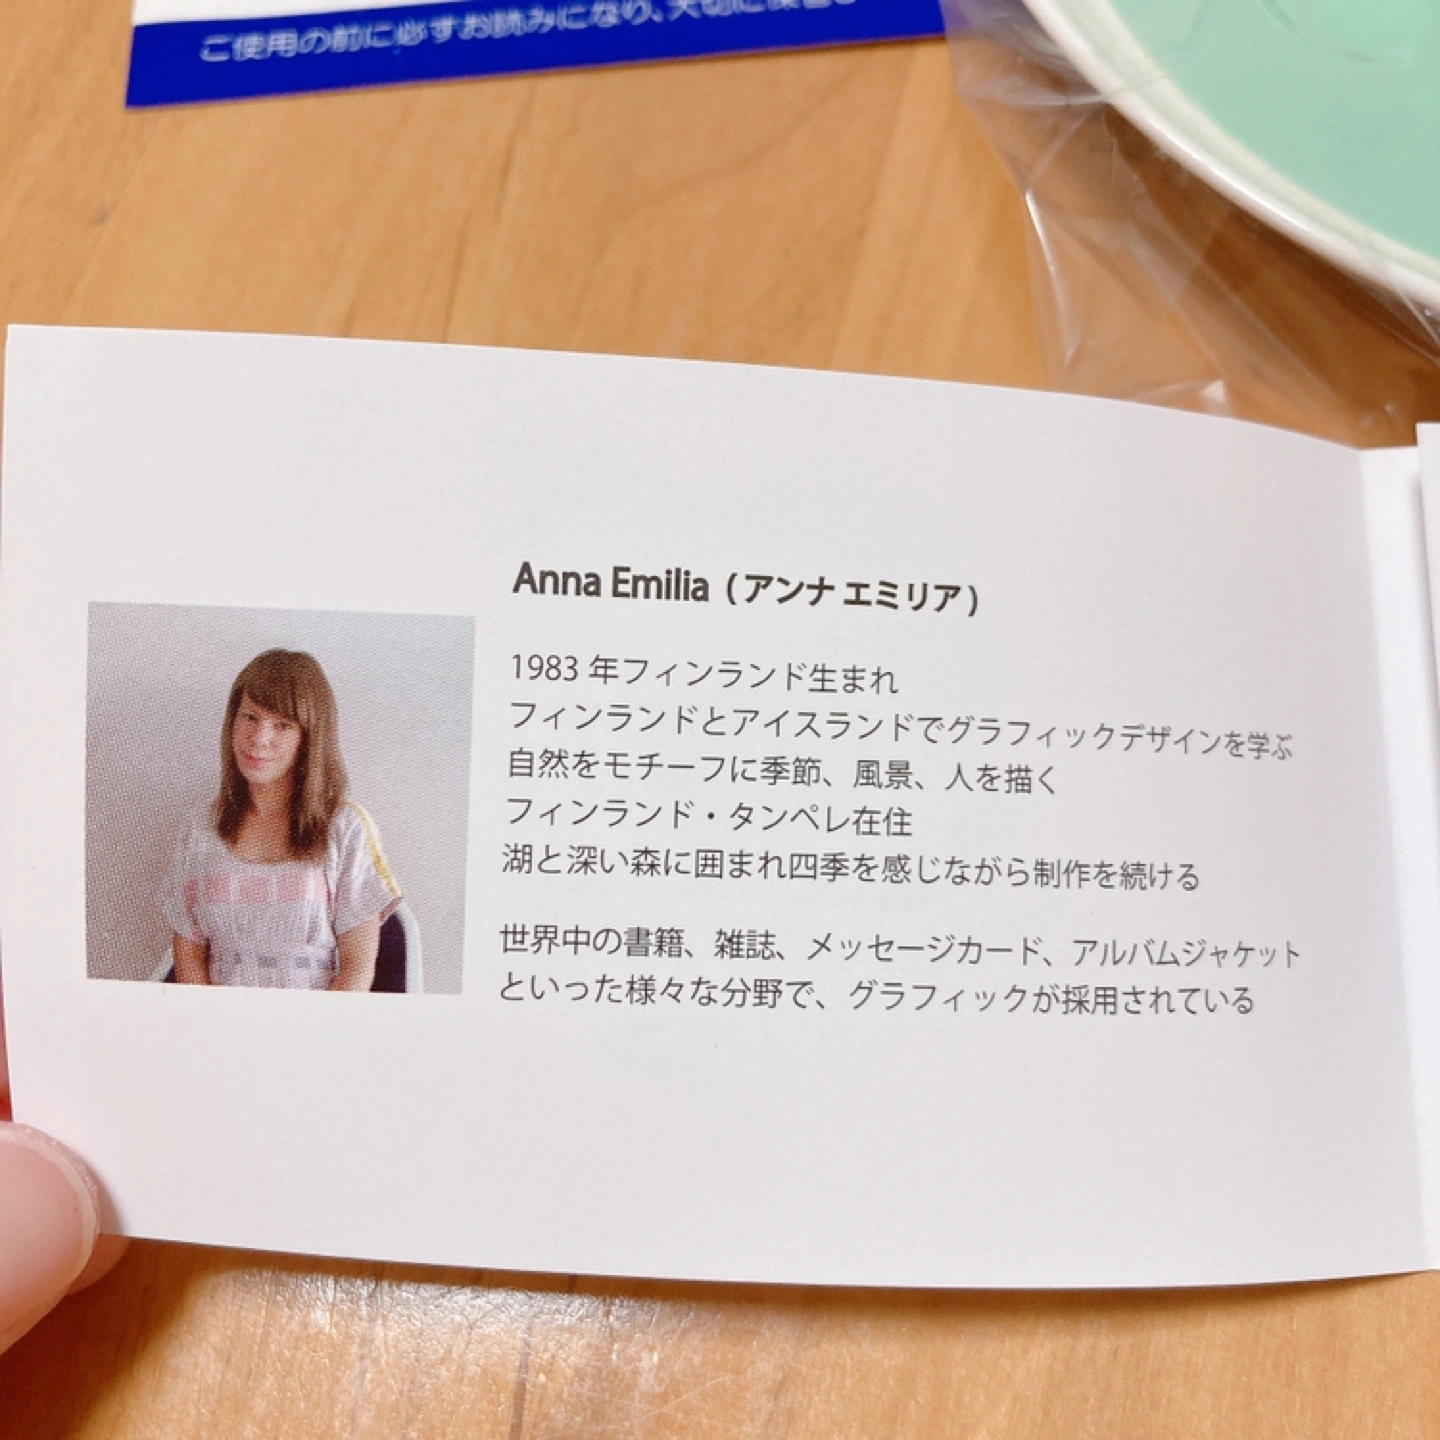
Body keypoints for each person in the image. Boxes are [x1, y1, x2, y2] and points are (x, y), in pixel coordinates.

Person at [161, 649, 401, 991]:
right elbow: (188, 956)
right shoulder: (200, 828)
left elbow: (357, 970)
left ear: (310, 738)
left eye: (282, 725)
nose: (259, 738)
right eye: (250, 717)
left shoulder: (345, 828)